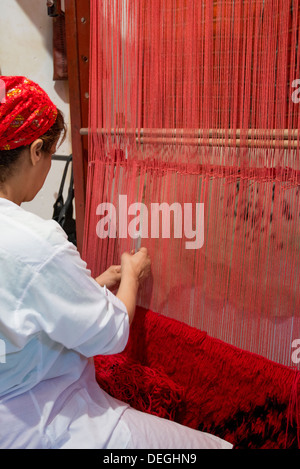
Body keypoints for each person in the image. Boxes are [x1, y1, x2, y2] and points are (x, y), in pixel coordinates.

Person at [0, 76, 232, 449]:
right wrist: (132, 277)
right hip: (47, 424)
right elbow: (109, 336)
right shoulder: (35, 241)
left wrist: (89, 288)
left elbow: (18, 309)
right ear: (35, 150)